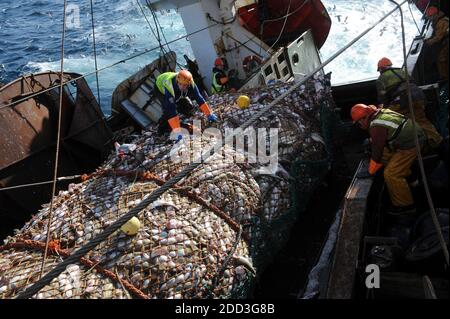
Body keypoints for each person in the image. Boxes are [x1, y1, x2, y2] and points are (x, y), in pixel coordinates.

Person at [351, 103, 426, 215]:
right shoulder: (380, 113)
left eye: (359, 123)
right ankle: (413, 179)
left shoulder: (376, 125)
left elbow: (377, 150)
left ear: (364, 119)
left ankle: (406, 206)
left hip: (411, 144)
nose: (360, 126)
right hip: (411, 137)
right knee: (386, 159)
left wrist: (370, 171)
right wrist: (372, 142)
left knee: (391, 174)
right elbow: (387, 131)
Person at [376, 57, 442, 149]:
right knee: (421, 120)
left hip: (403, 102)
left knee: (391, 118)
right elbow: (413, 83)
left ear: (381, 69)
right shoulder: (402, 71)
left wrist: (381, 111)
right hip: (419, 97)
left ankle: (400, 145)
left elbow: (382, 98)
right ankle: (438, 142)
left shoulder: (381, 78)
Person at [156, 70, 218, 137]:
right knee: (168, 110)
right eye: (180, 84)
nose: (182, 87)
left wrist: (209, 114)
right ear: (177, 82)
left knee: (188, 108)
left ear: (188, 84)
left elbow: (199, 98)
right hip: (160, 88)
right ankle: (162, 129)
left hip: (175, 87)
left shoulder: (191, 84)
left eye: (185, 85)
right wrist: (178, 132)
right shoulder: (169, 88)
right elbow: (171, 111)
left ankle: (178, 121)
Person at [424, 6, 449, 82]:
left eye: (430, 17)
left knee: (441, 59)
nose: (429, 19)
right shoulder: (439, 20)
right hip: (445, 40)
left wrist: (429, 42)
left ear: (435, 15)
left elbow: (439, 37)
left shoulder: (441, 22)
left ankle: (445, 78)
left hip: (447, 41)